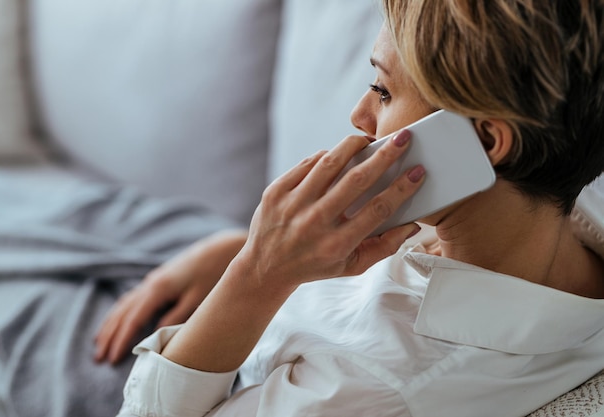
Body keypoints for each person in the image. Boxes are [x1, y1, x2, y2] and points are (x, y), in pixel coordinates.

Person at [97, 0, 604, 415]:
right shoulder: (553, 229)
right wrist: (237, 250)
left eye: (383, 90)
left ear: (485, 142)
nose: (360, 114)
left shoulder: (372, 390)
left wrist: (255, 274)